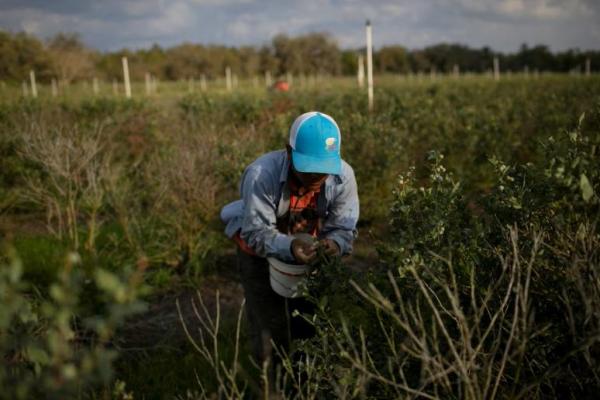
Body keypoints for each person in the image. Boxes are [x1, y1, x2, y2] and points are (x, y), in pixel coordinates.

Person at [220, 111, 359, 378]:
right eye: (309, 168)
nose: (318, 175)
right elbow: (256, 232)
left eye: (324, 167)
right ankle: (272, 385)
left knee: (309, 323)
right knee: (269, 328)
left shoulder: (343, 177)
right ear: (288, 152)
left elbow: (344, 228)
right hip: (258, 252)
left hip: (309, 252)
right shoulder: (261, 174)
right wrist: (290, 247)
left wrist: (333, 245)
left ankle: (307, 383)